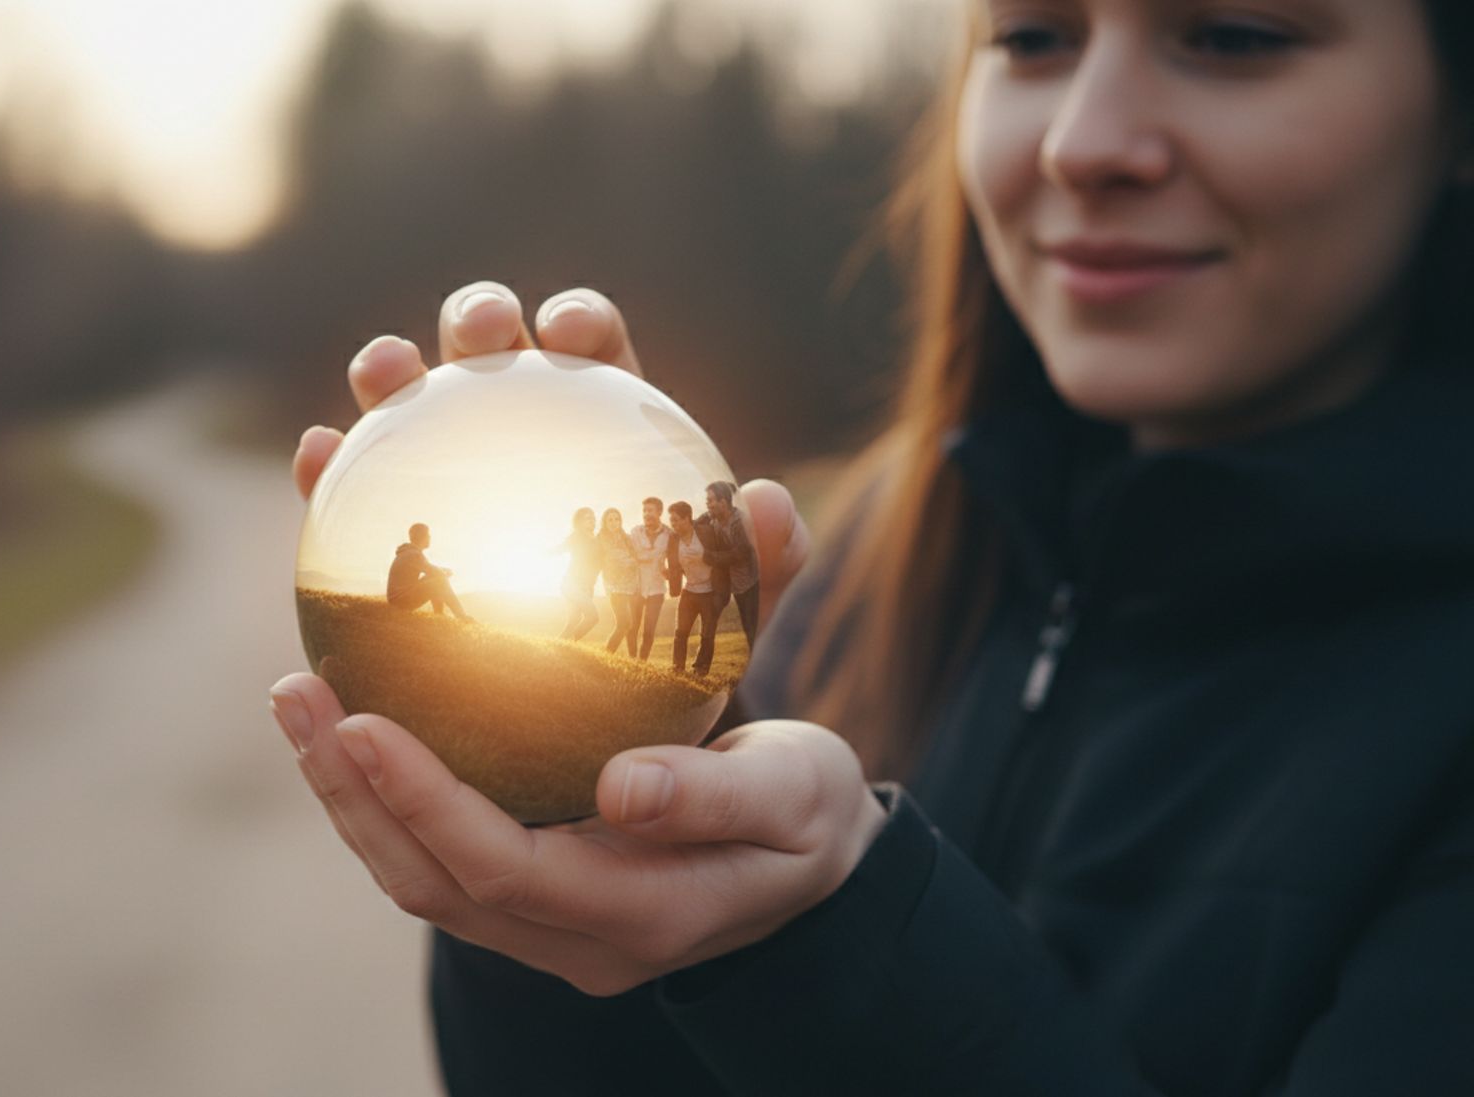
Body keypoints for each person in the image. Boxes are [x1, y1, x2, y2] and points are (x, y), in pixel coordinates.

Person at [273, 1, 1474, 1093]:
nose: (1083, 142)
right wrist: (571, 888)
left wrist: (839, 937)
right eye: (1034, 37)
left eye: (1235, 36)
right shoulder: (873, 555)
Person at [694, 480, 760, 645]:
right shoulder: (714, 519)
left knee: (752, 627)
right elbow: (695, 525)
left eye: (710, 501)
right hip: (730, 583)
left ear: (723, 503)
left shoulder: (741, 522)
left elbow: (740, 554)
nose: (707, 504)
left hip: (749, 583)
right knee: (712, 615)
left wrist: (708, 556)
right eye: (707, 501)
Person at [665, 501, 721, 679]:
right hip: (689, 591)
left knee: (707, 633)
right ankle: (677, 668)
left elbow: (721, 556)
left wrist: (705, 557)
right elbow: (674, 567)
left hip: (710, 592)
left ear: (687, 518)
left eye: (676, 520)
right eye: (671, 521)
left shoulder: (705, 532)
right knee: (680, 632)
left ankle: (700, 669)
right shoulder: (673, 540)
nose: (673, 524)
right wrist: (668, 573)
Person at [384, 522, 472, 623]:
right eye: (428, 535)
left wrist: (442, 571)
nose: (430, 537)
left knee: (434, 578)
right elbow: (434, 572)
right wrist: (445, 572)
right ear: (423, 536)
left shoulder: (409, 552)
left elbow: (430, 570)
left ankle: (440, 615)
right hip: (400, 601)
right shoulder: (414, 554)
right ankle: (461, 617)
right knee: (439, 580)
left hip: (397, 599)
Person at [628, 497, 675, 660]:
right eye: (644, 511)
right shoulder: (635, 532)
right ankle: (632, 660)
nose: (647, 514)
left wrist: (671, 572)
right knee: (632, 627)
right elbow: (629, 556)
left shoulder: (669, 534)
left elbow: (675, 558)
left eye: (650, 510)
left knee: (649, 630)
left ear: (659, 512)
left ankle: (642, 662)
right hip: (636, 587)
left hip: (657, 589)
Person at [597, 507, 641, 656]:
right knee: (624, 623)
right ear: (604, 522)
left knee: (629, 624)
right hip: (614, 586)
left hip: (630, 586)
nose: (614, 522)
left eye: (617, 519)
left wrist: (633, 561)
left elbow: (636, 556)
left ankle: (611, 655)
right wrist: (632, 561)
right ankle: (606, 654)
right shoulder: (602, 538)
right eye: (610, 519)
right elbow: (614, 559)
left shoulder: (626, 538)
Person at [552, 507, 601, 642]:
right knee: (593, 617)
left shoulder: (597, 540)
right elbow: (561, 548)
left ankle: (558, 645)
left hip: (587, 586)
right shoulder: (576, 536)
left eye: (593, 518)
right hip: (572, 585)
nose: (592, 520)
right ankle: (570, 643)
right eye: (587, 518)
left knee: (573, 621)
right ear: (579, 521)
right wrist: (542, 553)